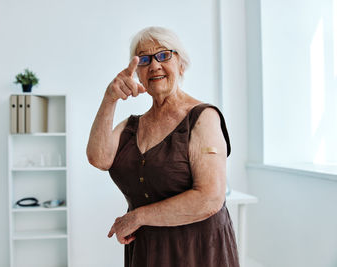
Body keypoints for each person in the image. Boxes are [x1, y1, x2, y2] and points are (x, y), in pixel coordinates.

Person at [86, 26, 239, 267]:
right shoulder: (132, 126)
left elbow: (210, 198)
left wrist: (138, 216)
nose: (154, 65)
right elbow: (98, 158)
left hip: (197, 251)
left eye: (164, 55)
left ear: (181, 64)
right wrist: (110, 98)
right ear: (137, 73)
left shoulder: (203, 117)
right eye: (144, 60)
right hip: (147, 252)